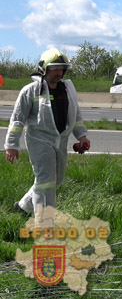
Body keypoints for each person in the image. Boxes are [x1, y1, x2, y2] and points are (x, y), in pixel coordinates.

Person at [4, 48, 90, 216]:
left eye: (61, 69)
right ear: (44, 69)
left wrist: (82, 136)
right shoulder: (30, 91)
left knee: (56, 180)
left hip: (61, 140)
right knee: (45, 182)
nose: (59, 72)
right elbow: (17, 120)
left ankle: (23, 207)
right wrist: (12, 145)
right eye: (55, 68)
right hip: (39, 140)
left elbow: (75, 115)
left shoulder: (67, 89)